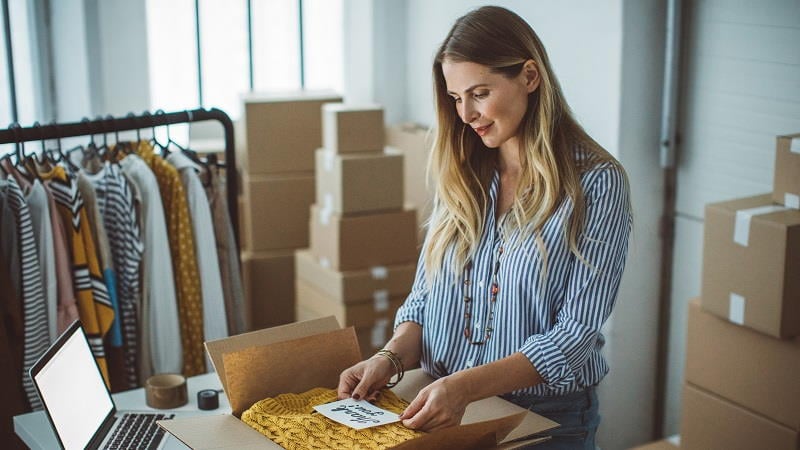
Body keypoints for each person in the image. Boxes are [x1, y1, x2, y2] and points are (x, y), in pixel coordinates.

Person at [337, 5, 632, 449]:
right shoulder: (464, 173)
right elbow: (426, 300)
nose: (466, 114)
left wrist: (464, 387)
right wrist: (390, 358)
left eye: (479, 93)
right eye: (456, 98)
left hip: (543, 421)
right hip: (445, 411)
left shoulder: (596, 183)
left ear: (530, 77)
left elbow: (575, 336)